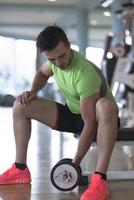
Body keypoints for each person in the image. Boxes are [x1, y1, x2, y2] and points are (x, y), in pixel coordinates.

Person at [0, 25, 119, 200]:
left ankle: (100, 179)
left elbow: (90, 124)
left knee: (105, 106)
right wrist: (33, 91)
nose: (58, 63)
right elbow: (42, 73)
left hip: (101, 121)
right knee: (21, 105)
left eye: (62, 56)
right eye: (52, 59)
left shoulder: (85, 74)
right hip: (74, 114)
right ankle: (20, 169)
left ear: (68, 45)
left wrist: (74, 164)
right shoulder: (53, 62)